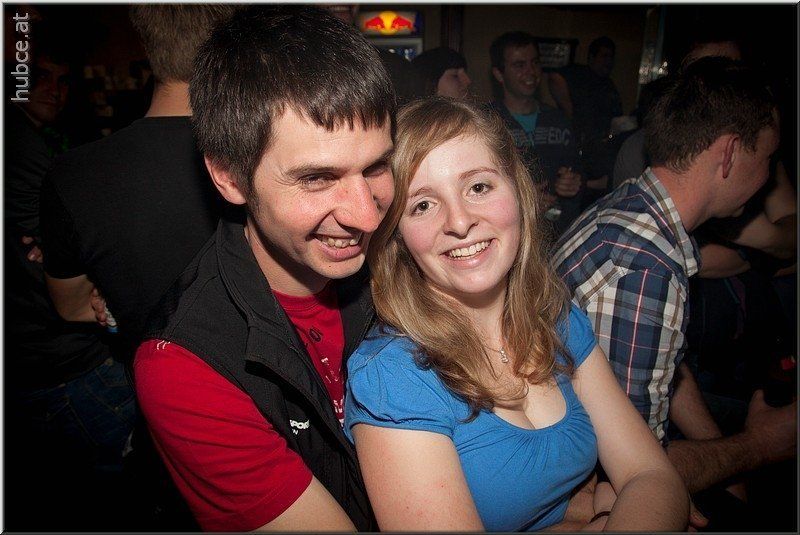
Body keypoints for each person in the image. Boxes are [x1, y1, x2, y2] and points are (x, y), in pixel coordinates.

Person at [344, 97, 689, 532]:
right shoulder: (394, 377)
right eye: (423, 205)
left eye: (478, 187)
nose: (460, 222)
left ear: (518, 191)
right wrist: (602, 512)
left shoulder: (555, 316)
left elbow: (653, 475)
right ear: (398, 238)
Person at [133, 6, 395, 531]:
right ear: (230, 177)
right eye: (317, 178)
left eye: (377, 166)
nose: (367, 216)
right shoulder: (183, 365)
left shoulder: (403, 254)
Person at [552, 57, 796, 504]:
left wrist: (719, 452)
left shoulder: (635, 204)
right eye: (767, 158)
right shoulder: (647, 268)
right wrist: (760, 445)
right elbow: (633, 474)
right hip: (580, 482)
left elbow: (664, 362)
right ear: (729, 153)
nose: (767, 176)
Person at [41, 5, 234, 363]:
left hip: (150, 374)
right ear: (228, 47)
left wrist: (113, 299)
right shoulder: (255, 155)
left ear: (147, 46)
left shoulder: (72, 174)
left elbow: (72, 306)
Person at [4, 22, 135, 530]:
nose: (52, 90)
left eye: (62, 80)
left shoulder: (47, 138)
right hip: (60, 359)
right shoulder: (17, 143)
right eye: (39, 77)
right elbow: (63, 244)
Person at [488, 31, 583, 236]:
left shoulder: (558, 120)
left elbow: (578, 170)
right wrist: (521, 202)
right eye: (519, 65)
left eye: (535, 63)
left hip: (559, 236)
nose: (531, 71)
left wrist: (573, 183)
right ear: (499, 74)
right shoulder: (486, 124)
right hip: (510, 236)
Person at [549, 36, 623, 201]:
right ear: (591, 57)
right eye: (604, 56)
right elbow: (554, 76)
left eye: (611, 57)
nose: (608, 61)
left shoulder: (609, 86)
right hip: (578, 148)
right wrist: (568, 109)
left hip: (600, 150)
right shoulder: (579, 74)